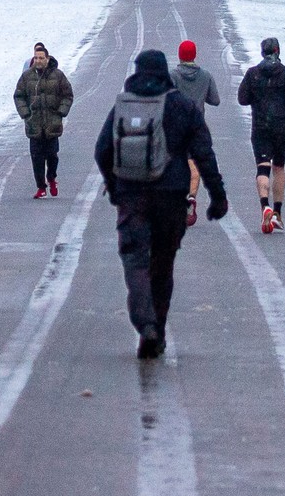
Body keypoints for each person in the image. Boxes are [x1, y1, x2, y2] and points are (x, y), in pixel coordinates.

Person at [94, 49, 228, 359]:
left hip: (132, 198)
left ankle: (145, 324)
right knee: (163, 265)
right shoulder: (181, 106)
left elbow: (103, 150)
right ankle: (159, 328)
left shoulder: (123, 106)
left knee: (135, 261)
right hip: (171, 197)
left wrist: (115, 188)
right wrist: (217, 196)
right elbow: (204, 154)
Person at [237, 36, 285, 235]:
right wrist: (284, 103)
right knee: (279, 167)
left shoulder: (253, 73)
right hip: (282, 125)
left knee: (263, 168)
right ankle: (278, 214)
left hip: (260, 125)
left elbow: (242, 98)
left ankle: (265, 206)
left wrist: (258, 99)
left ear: (262, 52)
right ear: (278, 51)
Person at [14, 42, 74, 199]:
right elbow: (18, 96)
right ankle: (41, 187)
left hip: (52, 125)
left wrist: (61, 112)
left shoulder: (58, 75)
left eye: (41, 58)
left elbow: (67, 95)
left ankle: (52, 177)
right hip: (34, 125)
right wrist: (25, 114)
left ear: (47, 58)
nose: (38, 60)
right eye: (36, 57)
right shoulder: (26, 77)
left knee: (52, 156)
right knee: (36, 158)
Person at [170, 39, 220, 227]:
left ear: (180, 55)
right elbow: (215, 100)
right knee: (194, 165)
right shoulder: (205, 76)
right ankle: (191, 197)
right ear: (194, 55)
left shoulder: (172, 76)